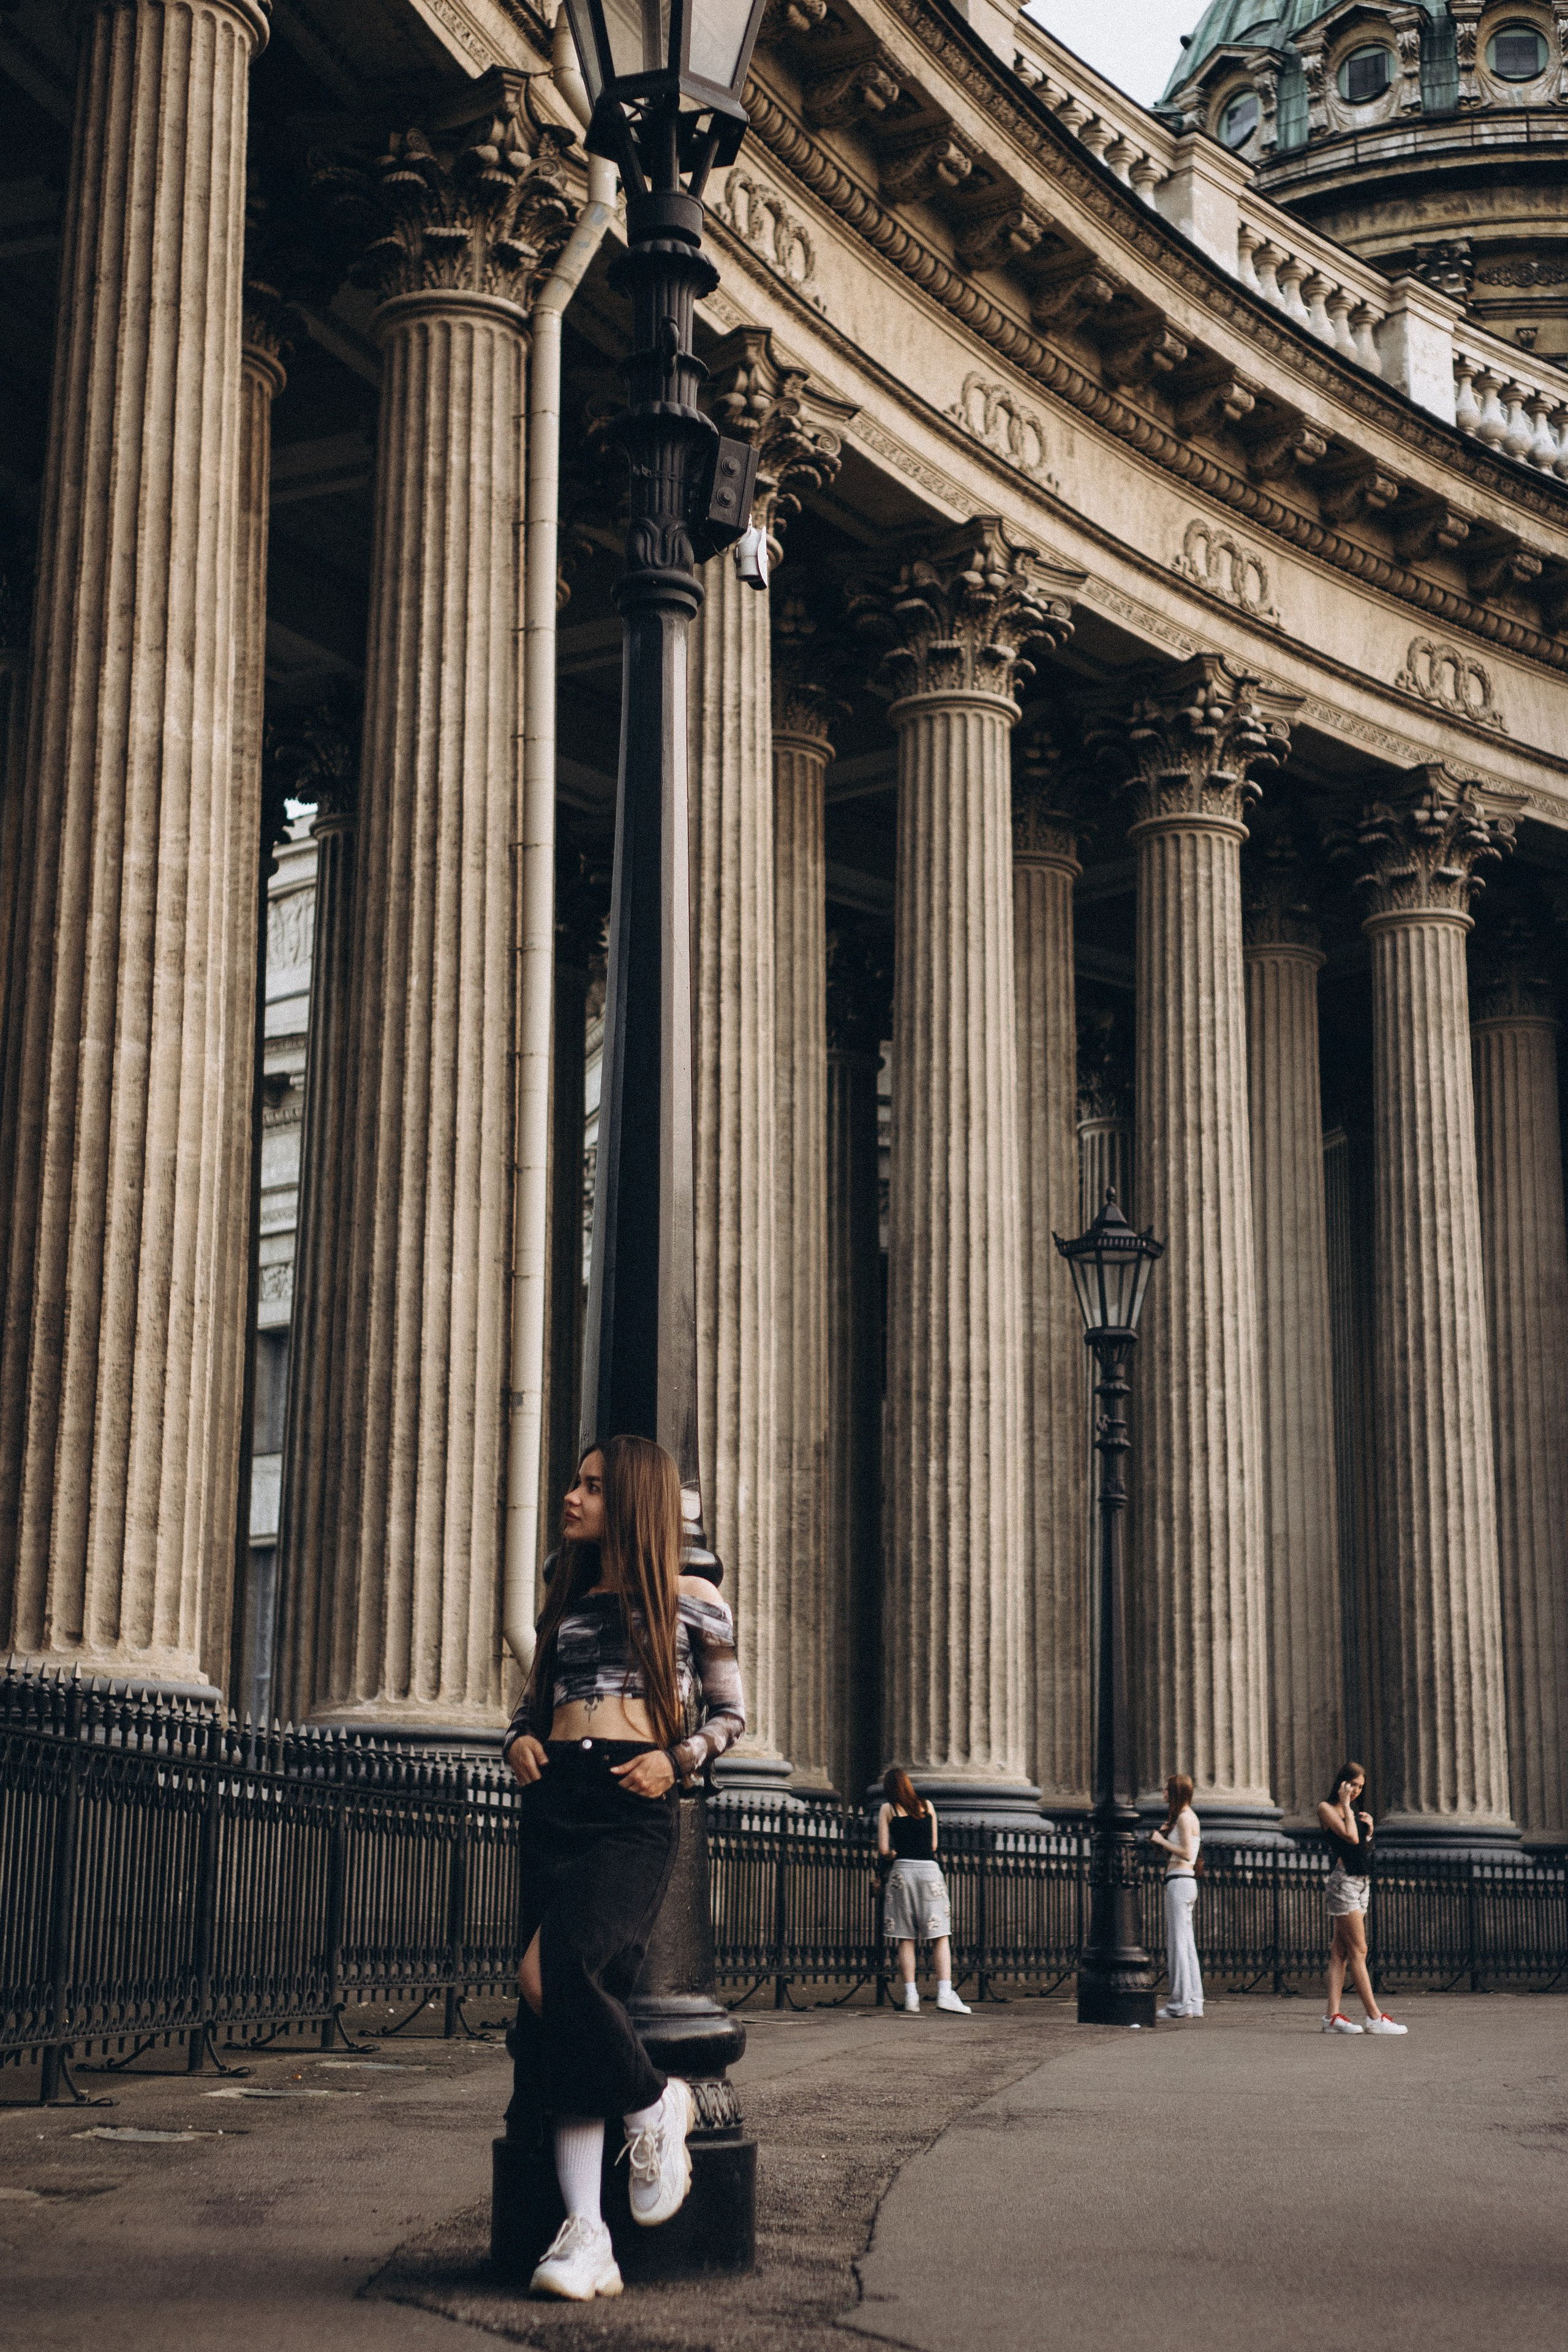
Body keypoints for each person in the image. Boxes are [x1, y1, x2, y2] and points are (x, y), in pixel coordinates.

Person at [500, 1436, 747, 2300]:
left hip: (631, 1805)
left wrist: (677, 1762)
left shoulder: (692, 1599)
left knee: (555, 1973)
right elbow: (531, 1710)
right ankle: (586, 2236)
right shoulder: (565, 1597)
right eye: (574, 1482)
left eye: (592, 1487)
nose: (572, 1497)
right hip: (557, 1799)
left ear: (633, 1502)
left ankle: (654, 2103)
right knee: (560, 2015)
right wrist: (520, 1743)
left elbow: (730, 1716)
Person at [1317, 1762, 1407, 2037]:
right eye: (1352, 1785)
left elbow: (1359, 1845)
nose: (1355, 1791)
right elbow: (1350, 1838)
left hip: (1360, 1882)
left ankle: (1332, 2017)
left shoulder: (1349, 1810)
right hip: (1343, 1883)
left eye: (1360, 1787)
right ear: (1341, 1782)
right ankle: (1374, 2016)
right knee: (1360, 1950)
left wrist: (1368, 1830)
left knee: (1340, 1951)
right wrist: (1347, 1807)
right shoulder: (1327, 1808)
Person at [876, 1767, 970, 2015]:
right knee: (940, 1934)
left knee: (905, 1937)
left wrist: (898, 1852)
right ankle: (944, 1993)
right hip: (929, 1872)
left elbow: (884, 1849)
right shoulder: (927, 1806)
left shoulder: (888, 1809)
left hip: (903, 1874)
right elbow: (934, 1845)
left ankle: (911, 1996)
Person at [1150, 1773, 1203, 2020]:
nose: (1164, 1794)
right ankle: (1193, 2001)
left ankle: (1179, 2004)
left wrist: (1162, 1840)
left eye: (1167, 1790)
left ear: (1176, 1792)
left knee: (1178, 1943)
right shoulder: (1189, 1817)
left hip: (1179, 1882)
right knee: (1187, 1943)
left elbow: (1185, 1852)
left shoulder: (1183, 1817)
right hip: (1186, 1882)